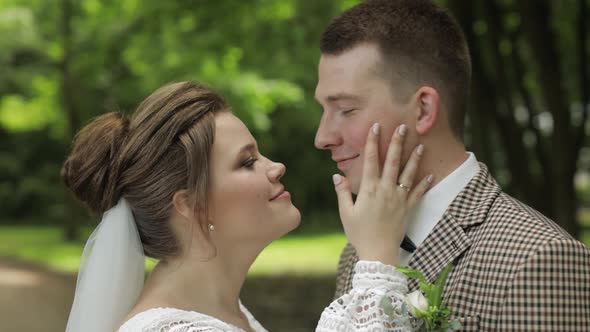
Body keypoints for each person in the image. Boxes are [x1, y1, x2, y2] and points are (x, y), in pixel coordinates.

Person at [62, 81, 433, 332]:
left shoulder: (232, 315)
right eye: (247, 162)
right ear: (191, 206)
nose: (277, 167)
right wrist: (378, 261)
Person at [314, 0, 590, 330]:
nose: (322, 137)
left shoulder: (540, 258)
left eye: (345, 110)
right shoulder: (358, 252)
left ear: (423, 110)